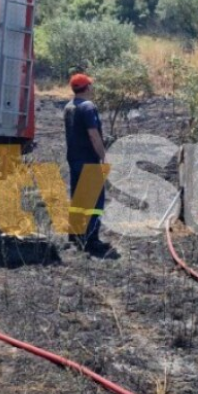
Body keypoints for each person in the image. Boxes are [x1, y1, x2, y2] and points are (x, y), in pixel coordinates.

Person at [64, 72, 115, 257]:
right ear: (87, 87)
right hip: (89, 159)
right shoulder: (88, 107)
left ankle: (76, 236)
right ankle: (91, 240)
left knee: (78, 199)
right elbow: (93, 135)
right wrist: (103, 156)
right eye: (91, 85)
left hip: (74, 158)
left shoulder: (69, 106)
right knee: (94, 201)